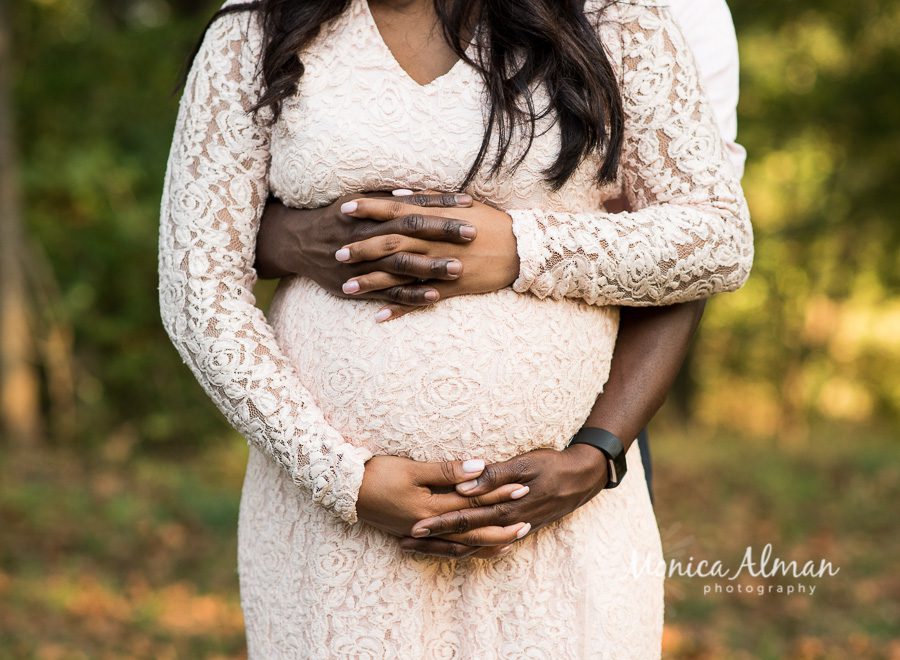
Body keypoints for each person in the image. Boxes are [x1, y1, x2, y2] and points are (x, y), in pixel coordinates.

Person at [158, 0, 753, 656]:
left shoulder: (613, 17)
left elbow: (718, 238)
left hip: (563, 529)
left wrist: (523, 250)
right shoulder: (258, 29)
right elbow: (196, 284)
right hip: (338, 534)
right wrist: (344, 478)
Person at [253, 0, 747, 508]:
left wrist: (601, 450)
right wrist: (292, 236)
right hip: (328, 493)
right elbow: (211, 240)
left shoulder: (651, 15)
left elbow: (697, 242)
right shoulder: (273, 23)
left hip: (595, 414)